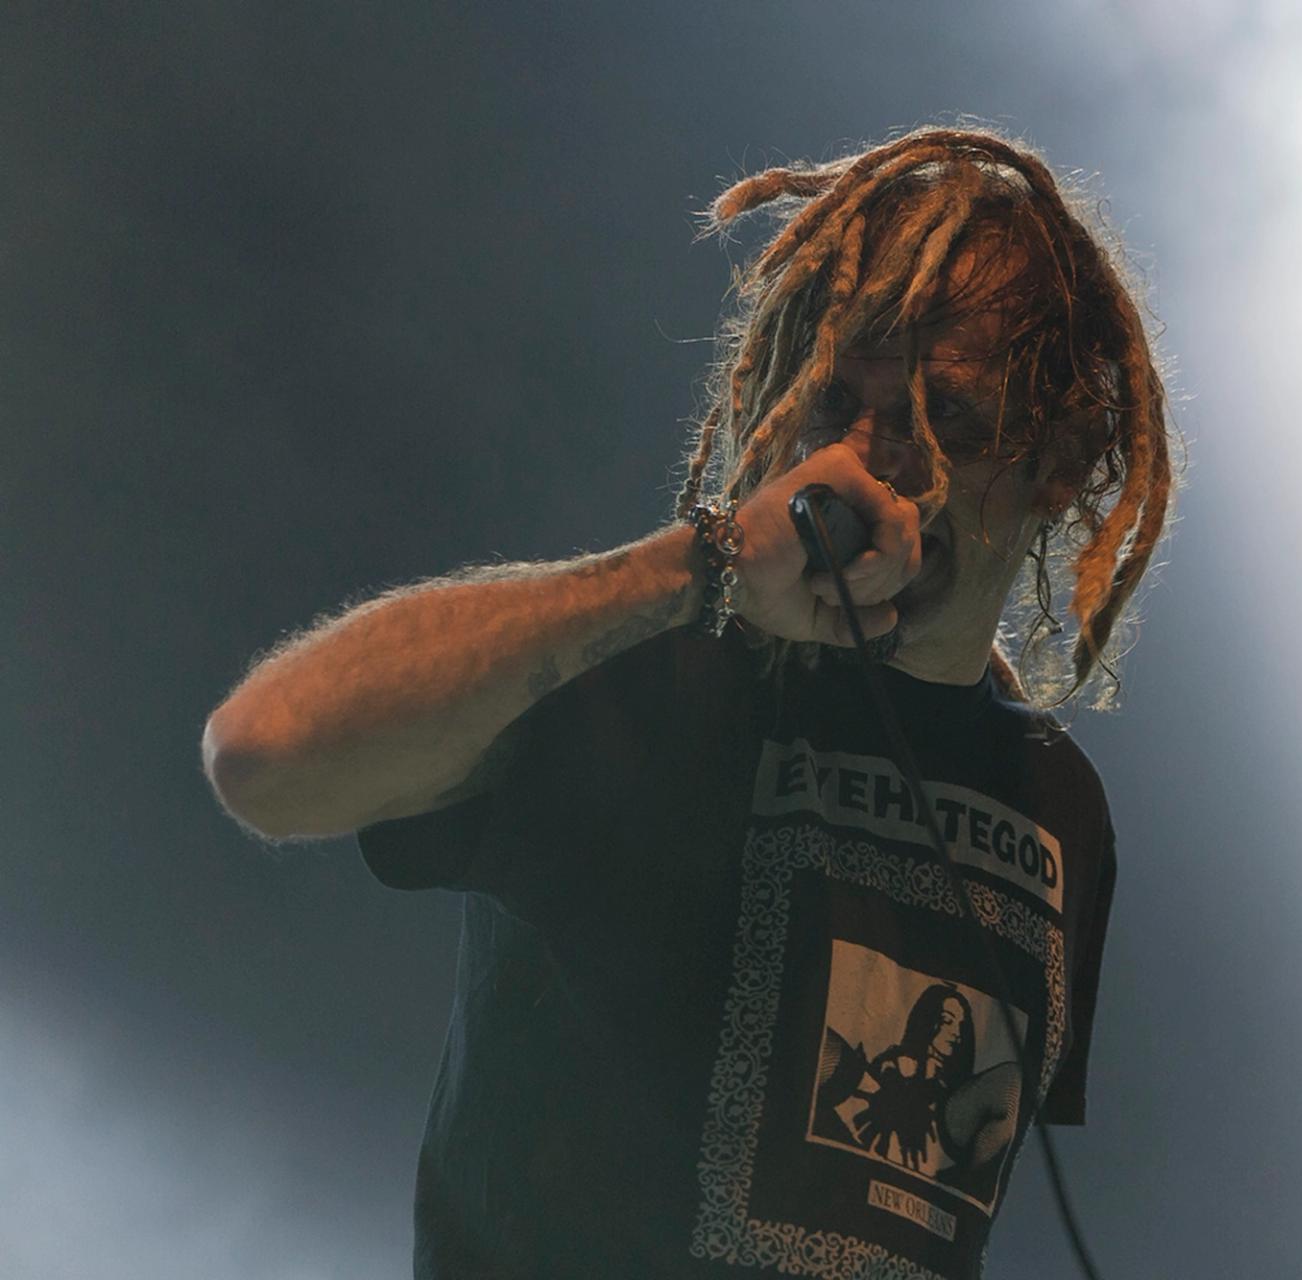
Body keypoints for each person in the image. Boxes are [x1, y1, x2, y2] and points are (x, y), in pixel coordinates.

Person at [201, 126, 1178, 1280]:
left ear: (1060, 460)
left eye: (944, 419)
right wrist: (695, 566)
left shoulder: (1060, 809)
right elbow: (268, 751)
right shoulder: (650, 669)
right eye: (837, 402)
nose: (869, 463)